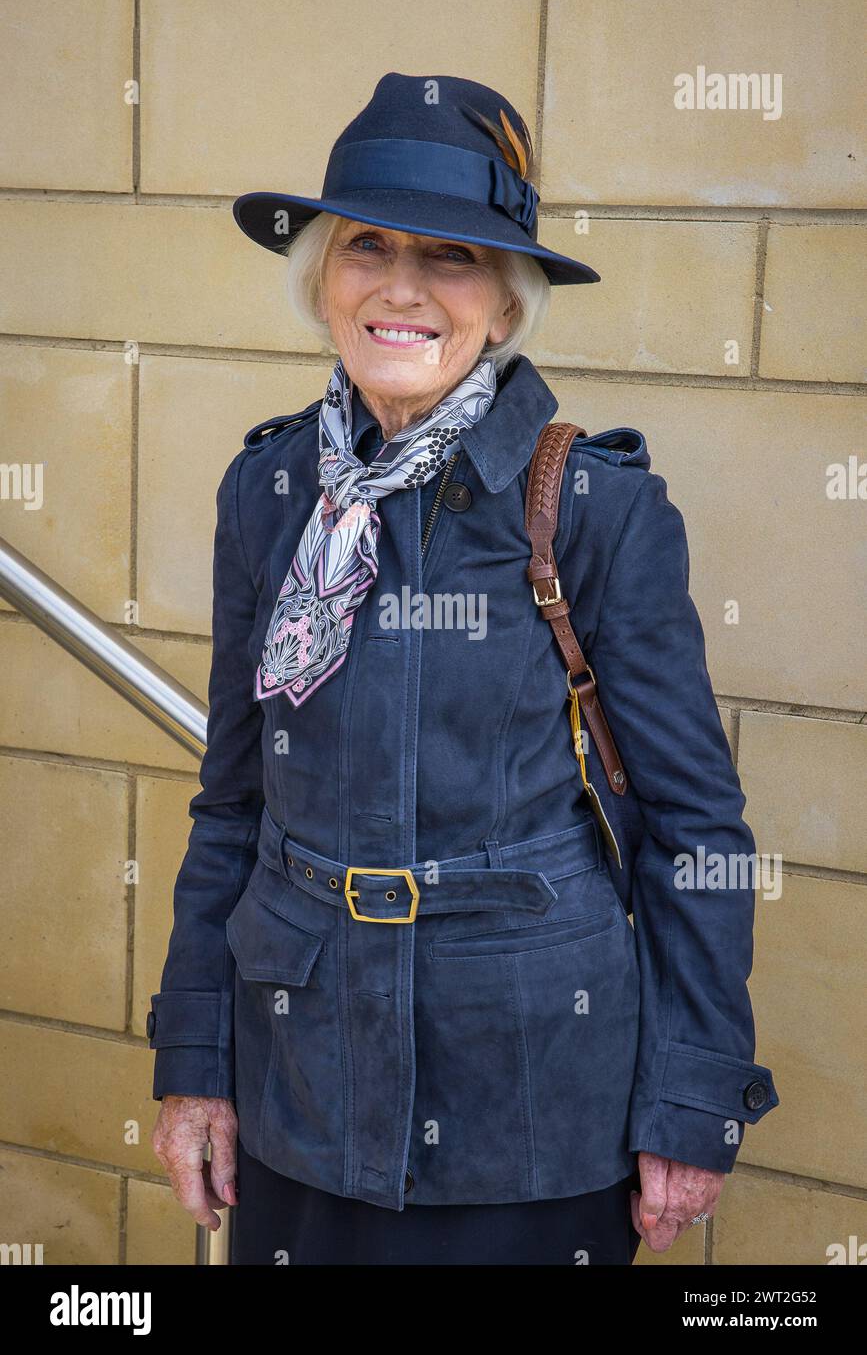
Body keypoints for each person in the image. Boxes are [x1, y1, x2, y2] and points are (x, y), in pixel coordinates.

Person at [148, 72, 779, 1265]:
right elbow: (231, 802)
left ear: (504, 304)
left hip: (528, 1104)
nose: (400, 287)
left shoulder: (596, 509)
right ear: (323, 279)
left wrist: (691, 1106)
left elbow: (698, 824)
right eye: (367, 246)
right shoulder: (271, 492)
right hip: (300, 1090)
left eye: (450, 257)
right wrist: (195, 1066)